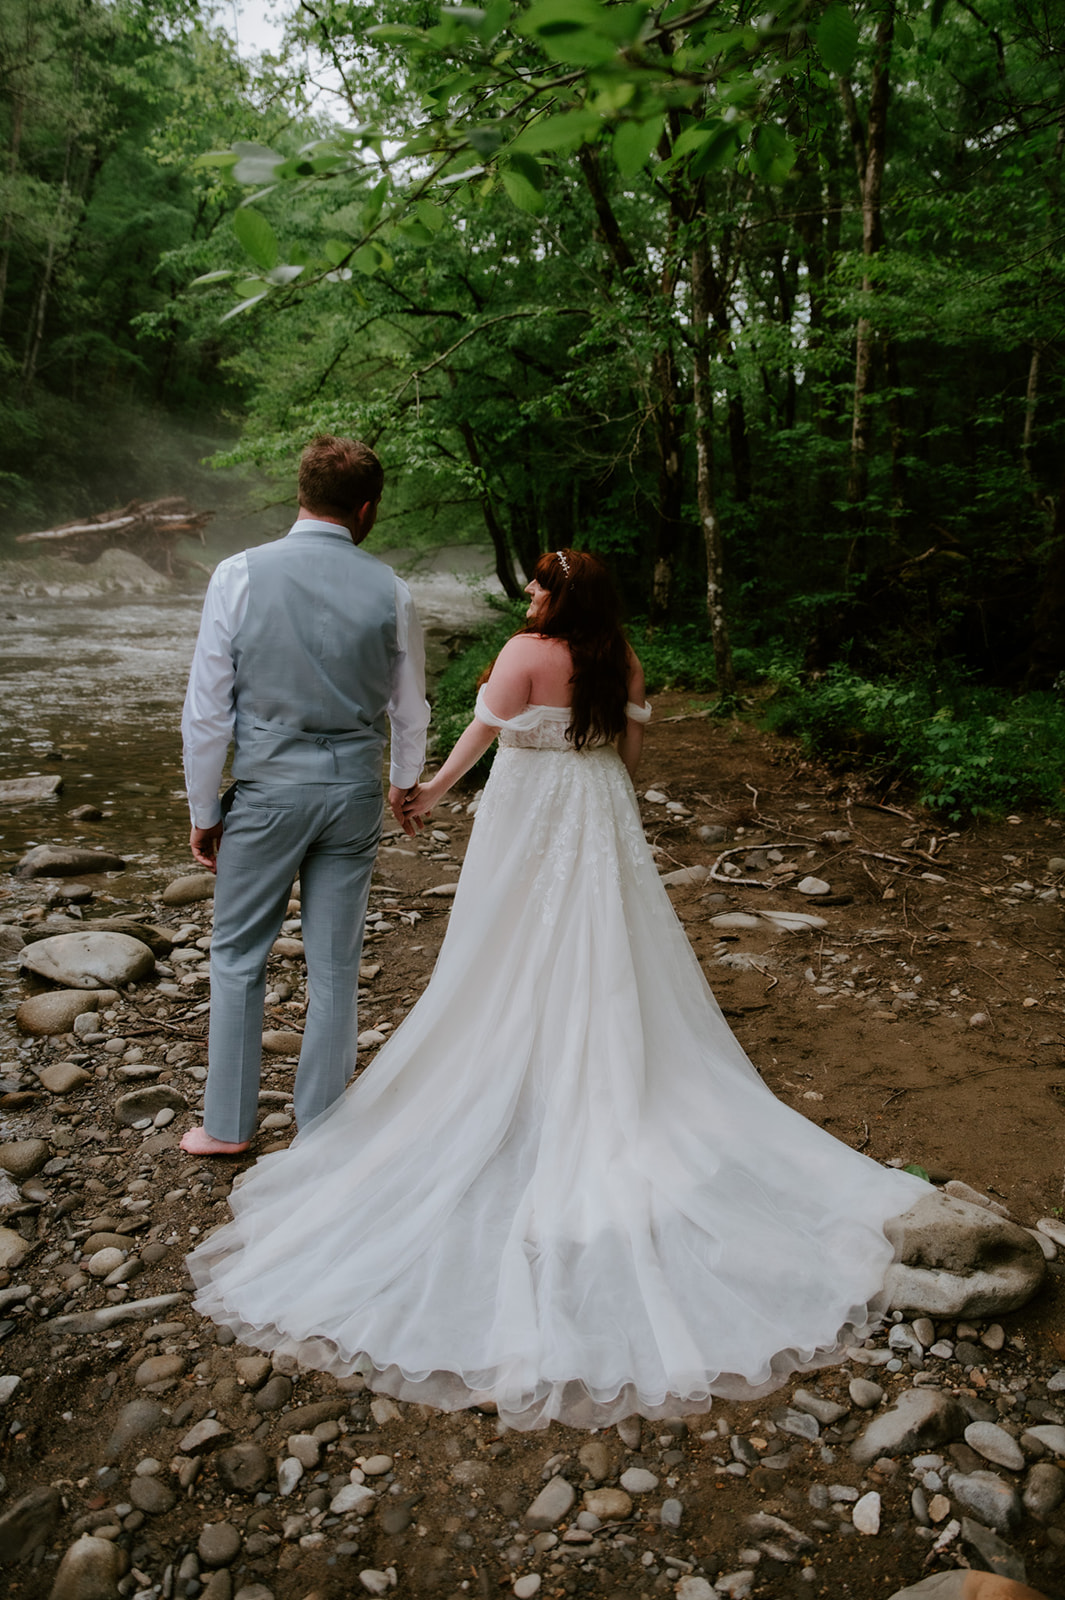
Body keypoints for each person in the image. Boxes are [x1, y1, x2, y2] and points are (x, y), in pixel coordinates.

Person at [187, 548, 929, 1429]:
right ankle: (598, 1056)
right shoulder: (621, 656)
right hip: (597, 805)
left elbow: (483, 735)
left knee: (506, 941)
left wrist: (426, 791)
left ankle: (516, 1062)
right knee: (604, 941)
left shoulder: (521, 653)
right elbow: (632, 748)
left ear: (555, 595)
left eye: (539, 583)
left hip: (530, 809)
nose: (530, 593)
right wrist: (606, 794)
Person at [178, 434, 429, 1158]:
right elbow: (408, 710)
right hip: (350, 794)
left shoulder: (237, 573)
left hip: (267, 795)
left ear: (300, 495)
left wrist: (204, 812)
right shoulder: (393, 589)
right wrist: (402, 785)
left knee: (236, 956)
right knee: (335, 964)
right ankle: (320, 1127)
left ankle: (226, 1126)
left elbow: (206, 710)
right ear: (367, 508)